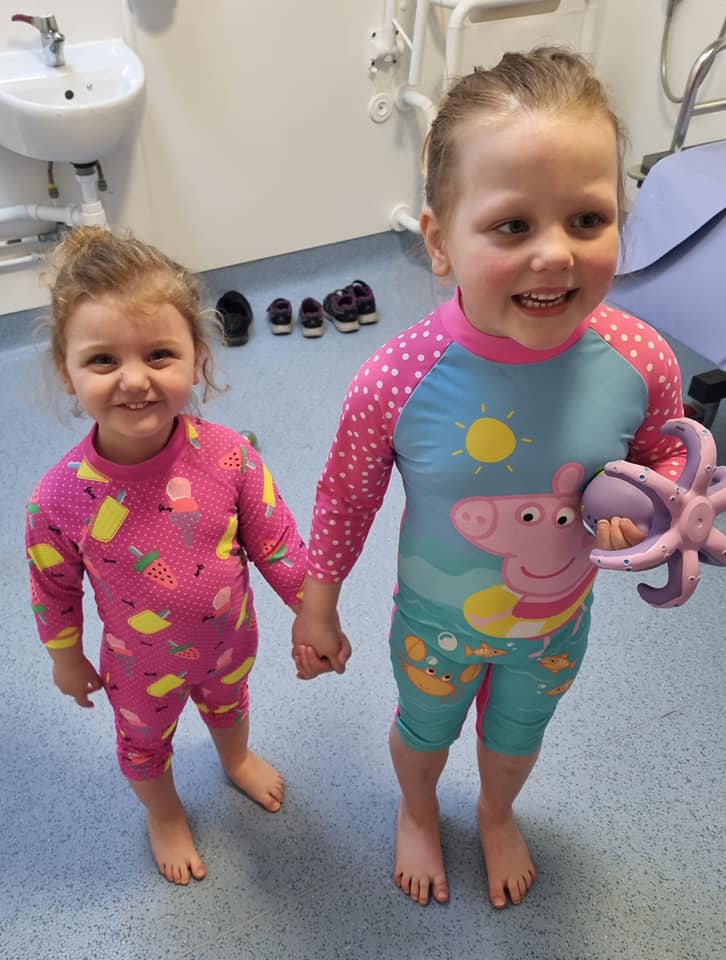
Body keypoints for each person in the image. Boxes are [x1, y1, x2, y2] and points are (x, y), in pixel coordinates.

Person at [291, 46, 687, 909]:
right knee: (422, 732)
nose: (557, 255)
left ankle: (499, 811)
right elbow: (347, 493)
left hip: (554, 626)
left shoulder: (642, 360)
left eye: (588, 220)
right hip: (437, 627)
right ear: (439, 241)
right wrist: (318, 602)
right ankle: (419, 806)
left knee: (517, 739)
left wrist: (651, 517)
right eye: (513, 226)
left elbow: (666, 462)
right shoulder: (398, 379)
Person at [26, 226, 306, 885]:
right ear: (66, 373)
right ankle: (164, 815)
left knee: (230, 704)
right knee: (143, 746)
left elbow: (276, 540)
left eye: (159, 354)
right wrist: (66, 658)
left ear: (197, 357)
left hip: (231, 640)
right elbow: (53, 589)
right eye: (102, 361)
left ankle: (234, 761)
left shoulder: (230, 455)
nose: (135, 380)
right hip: (139, 665)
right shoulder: (58, 499)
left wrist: (313, 608)